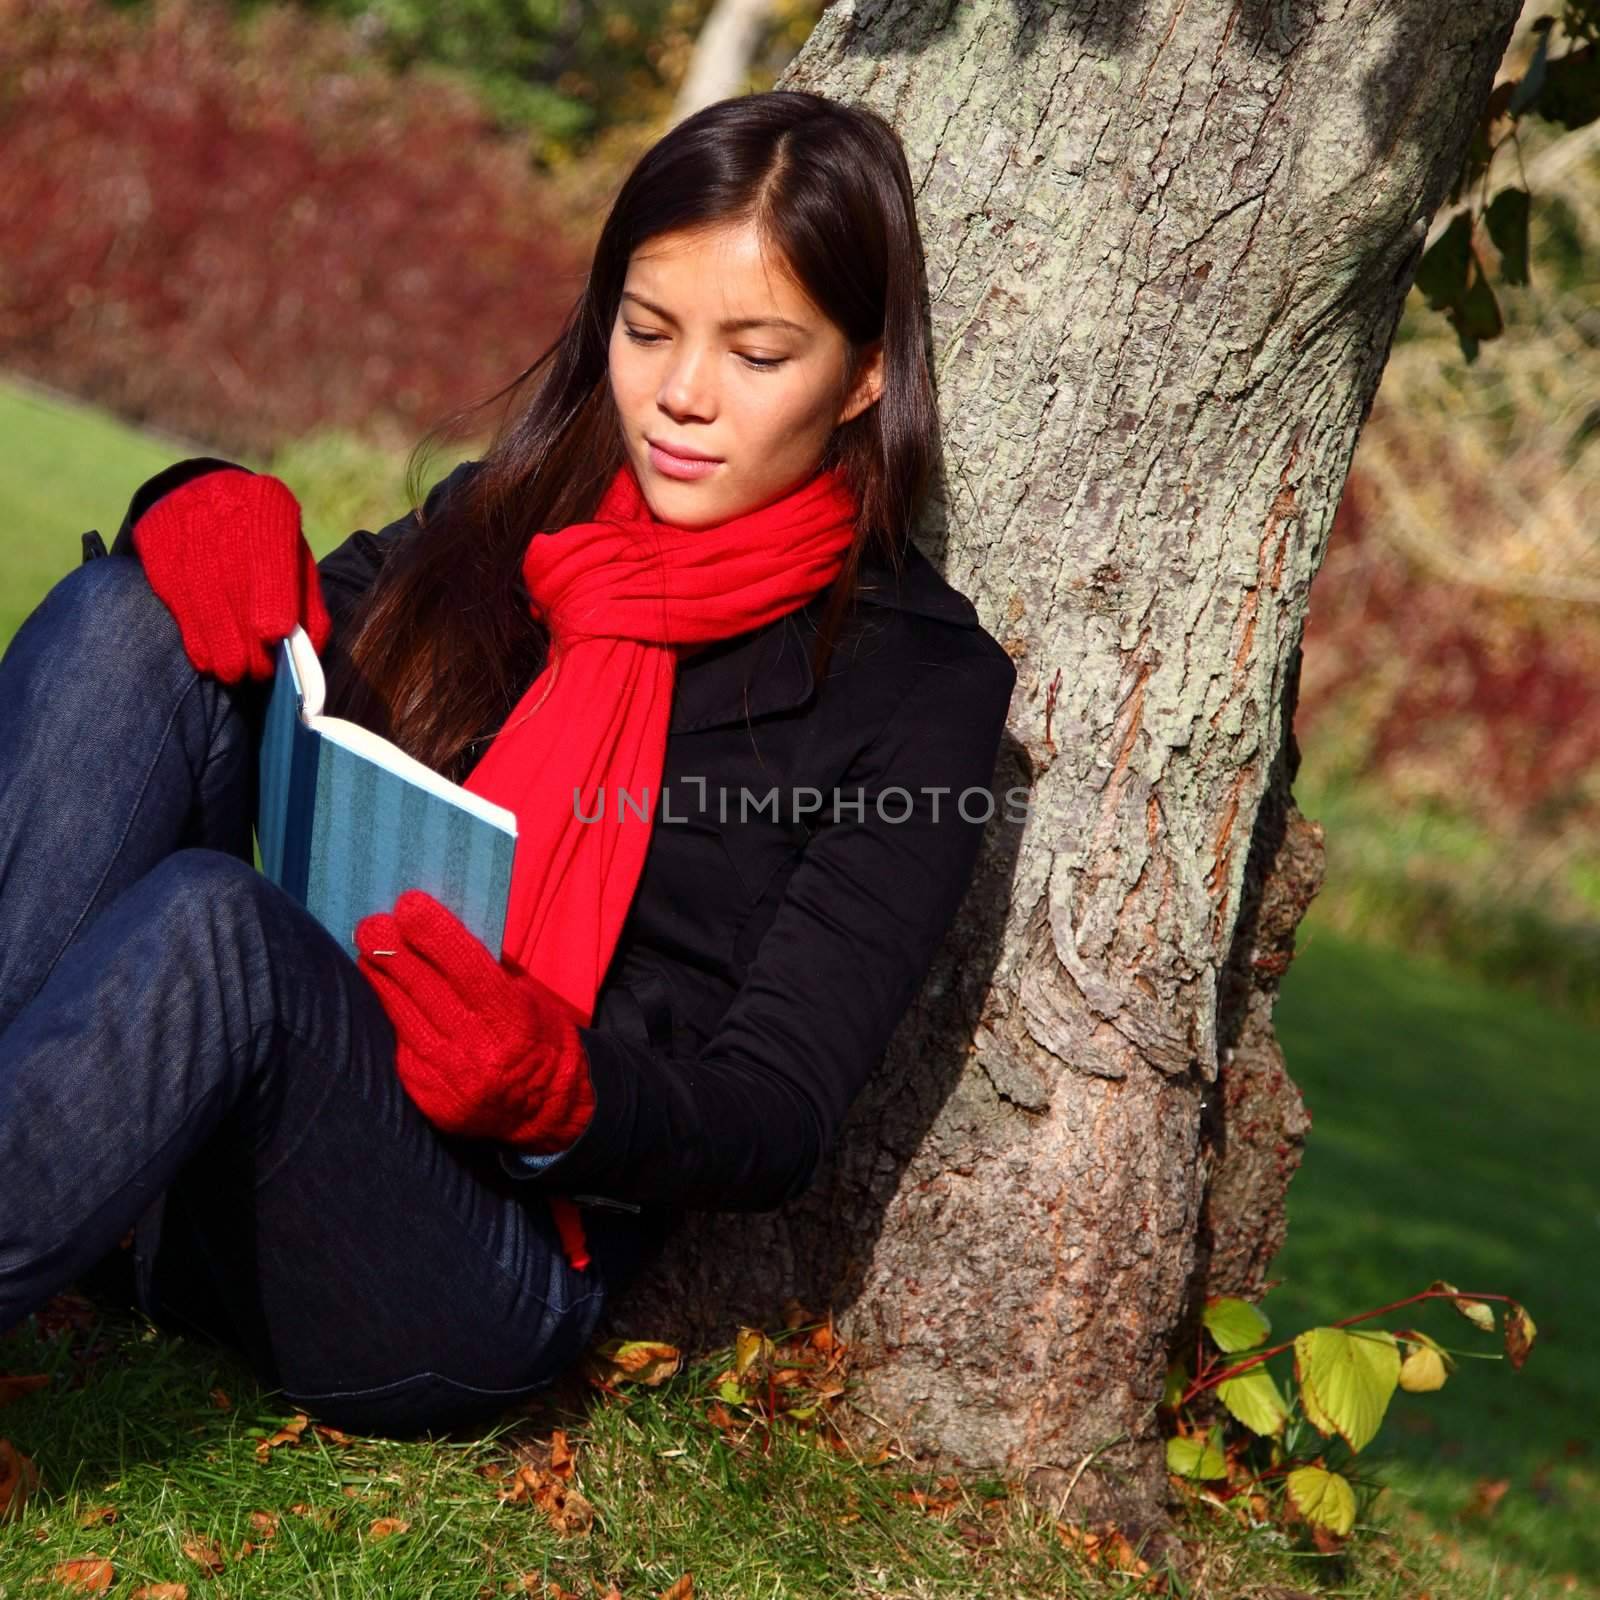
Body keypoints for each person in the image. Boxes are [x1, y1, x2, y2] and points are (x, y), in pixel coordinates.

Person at [0, 90, 1017, 1436]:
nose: (682, 397)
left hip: (468, 1267)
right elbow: (267, 633)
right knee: (130, 618)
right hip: (230, 1129)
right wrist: (187, 500)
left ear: (866, 374)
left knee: (216, 925)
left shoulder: (920, 686)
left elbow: (778, 1113)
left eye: (759, 353)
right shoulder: (517, 512)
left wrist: (562, 1089)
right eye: (645, 331)